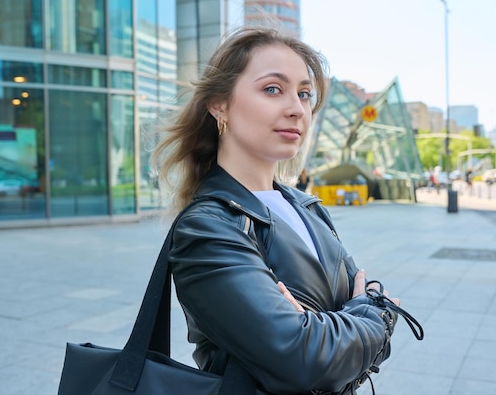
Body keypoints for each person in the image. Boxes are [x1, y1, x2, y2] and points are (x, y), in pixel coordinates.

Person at [151, 26, 420, 395]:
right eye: (272, 89)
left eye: (305, 93)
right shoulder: (207, 228)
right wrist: (373, 315)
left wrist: (333, 327)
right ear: (219, 104)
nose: (297, 109)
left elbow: (359, 339)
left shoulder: (307, 207)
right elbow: (305, 361)